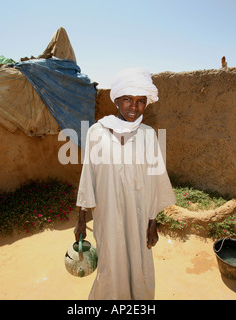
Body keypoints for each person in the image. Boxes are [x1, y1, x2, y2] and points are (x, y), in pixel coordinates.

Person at [74, 68, 176, 300]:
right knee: (111, 263)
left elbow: (156, 181)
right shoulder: (96, 133)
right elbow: (88, 175)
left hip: (139, 217)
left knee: (139, 264)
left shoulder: (149, 136)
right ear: (117, 100)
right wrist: (81, 219)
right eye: (128, 99)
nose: (134, 107)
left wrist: (153, 222)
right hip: (107, 215)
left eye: (141, 101)